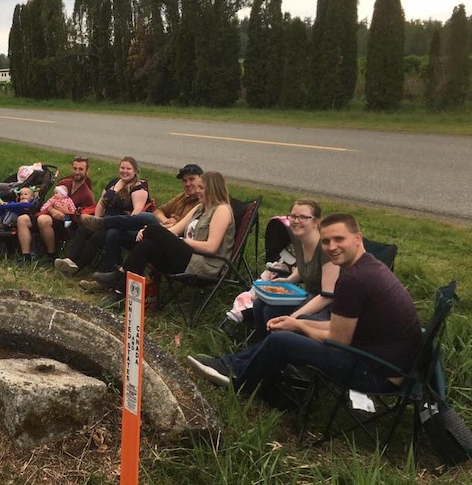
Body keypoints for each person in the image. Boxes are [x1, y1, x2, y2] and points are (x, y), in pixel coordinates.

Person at [186, 214, 421, 408]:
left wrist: (298, 326)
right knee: (294, 326)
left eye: (339, 239)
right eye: (326, 241)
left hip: (378, 374)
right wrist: (296, 322)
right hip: (380, 359)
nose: (332, 247)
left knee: (282, 341)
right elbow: (340, 329)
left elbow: (338, 339)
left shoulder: (355, 280)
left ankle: (242, 382)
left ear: (358, 239)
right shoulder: (368, 267)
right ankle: (232, 366)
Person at [91, 171, 235, 292]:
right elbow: (174, 231)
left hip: (204, 266)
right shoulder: (200, 208)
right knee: (146, 245)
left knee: (153, 228)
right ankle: (120, 292)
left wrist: (181, 241)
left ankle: (119, 274)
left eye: (201, 188)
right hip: (188, 259)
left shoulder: (221, 210)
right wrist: (150, 232)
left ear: (212, 189)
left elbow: (211, 247)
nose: (197, 191)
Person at [248, 199, 339, 340]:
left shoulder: (326, 249)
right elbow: (305, 267)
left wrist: (293, 318)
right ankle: (261, 345)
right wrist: (288, 281)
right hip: (309, 296)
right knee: (260, 304)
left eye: (303, 217)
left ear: (316, 221)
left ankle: (272, 348)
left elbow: (327, 296)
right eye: (293, 216)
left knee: (272, 310)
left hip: (330, 307)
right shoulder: (299, 239)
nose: (296, 221)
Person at [53, 156, 149, 276]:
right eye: (122, 167)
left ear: (135, 171)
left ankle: (76, 267)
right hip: (104, 221)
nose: (124, 171)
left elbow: (137, 212)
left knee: (97, 237)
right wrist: (96, 220)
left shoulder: (139, 188)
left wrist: (116, 222)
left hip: (121, 225)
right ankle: (69, 260)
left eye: (128, 169)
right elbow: (101, 203)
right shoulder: (114, 183)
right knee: (83, 230)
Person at [16, 156, 94, 264]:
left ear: (87, 171)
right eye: (75, 168)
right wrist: (52, 210)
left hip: (66, 223)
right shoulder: (64, 183)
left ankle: (51, 255)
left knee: (43, 220)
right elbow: (51, 201)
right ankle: (26, 256)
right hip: (49, 214)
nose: (77, 172)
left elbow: (86, 217)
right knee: (22, 219)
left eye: (81, 169)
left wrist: (69, 213)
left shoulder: (87, 194)